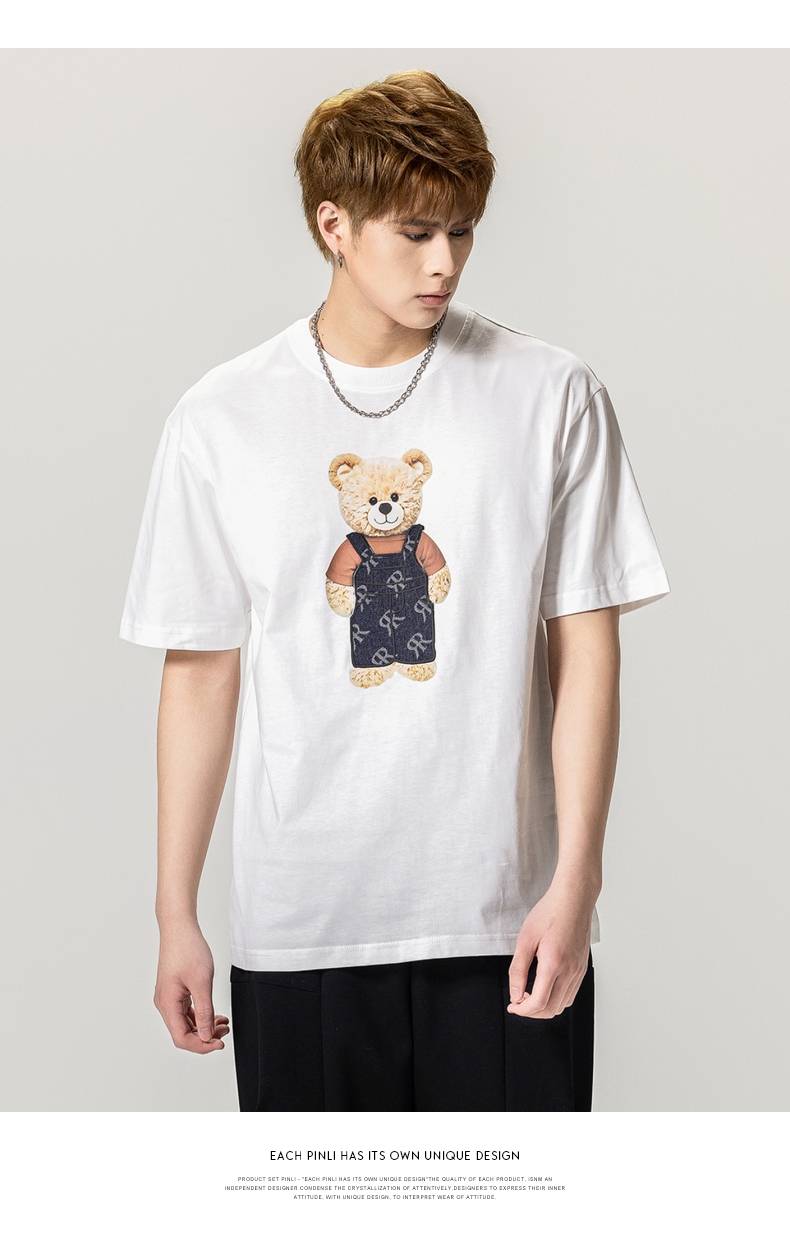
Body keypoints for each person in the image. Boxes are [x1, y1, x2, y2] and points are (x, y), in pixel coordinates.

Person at [120, 69, 669, 1112]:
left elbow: (586, 652)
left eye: (462, 231)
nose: (444, 262)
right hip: (303, 921)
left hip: (505, 919)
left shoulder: (551, 394)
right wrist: (174, 914)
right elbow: (199, 672)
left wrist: (577, 883)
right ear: (334, 225)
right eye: (416, 232)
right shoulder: (221, 418)